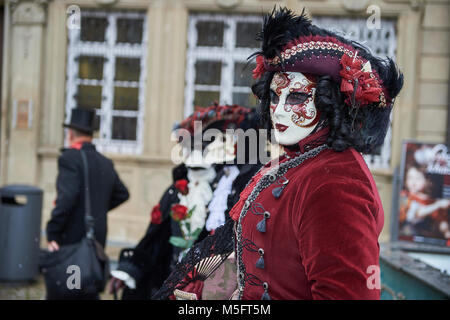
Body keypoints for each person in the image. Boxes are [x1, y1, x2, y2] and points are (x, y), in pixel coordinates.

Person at [110, 104, 262, 299]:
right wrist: (129, 270)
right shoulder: (179, 189)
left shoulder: (230, 186)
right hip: (177, 279)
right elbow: (156, 237)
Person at [45, 108, 129, 298]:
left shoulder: (69, 158)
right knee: (87, 290)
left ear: (71, 134)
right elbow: (122, 193)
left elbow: (67, 198)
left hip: (73, 242)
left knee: (70, 290)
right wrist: (97, 209)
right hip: (95, 241)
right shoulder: (105, 162)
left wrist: (53, 232)